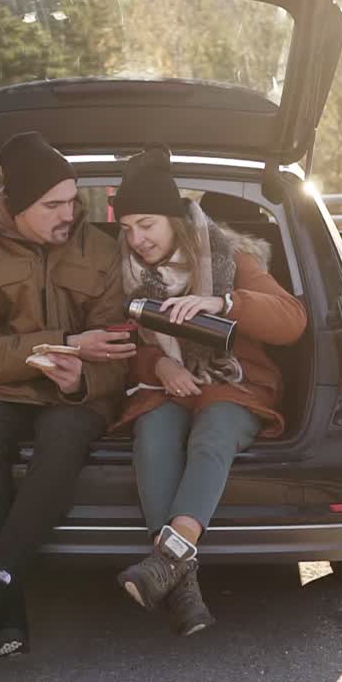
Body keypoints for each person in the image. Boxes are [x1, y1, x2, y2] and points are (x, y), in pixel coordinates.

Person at [0, 131, 135, 657]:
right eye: (53, 204)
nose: (69, 213)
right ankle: (7, 605)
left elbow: (119, 354)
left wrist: (84, 380)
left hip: (75, 395)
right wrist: (65, 345)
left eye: (74, 200)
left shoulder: (100, 249)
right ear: (16, 206)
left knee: (66, 436)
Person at [111, 146, 308, 636]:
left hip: (234, 382)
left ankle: (168, 558)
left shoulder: (230, 257)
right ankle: (181, 582)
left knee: (213, 433)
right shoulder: (127, 276)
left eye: (147, 225)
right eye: (127, 227)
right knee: (153, 433)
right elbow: (126, 343)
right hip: (169, 386)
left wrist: (223, 301)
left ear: (174, 218)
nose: (137, 240)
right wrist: (160, 363)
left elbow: (293, 322)